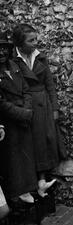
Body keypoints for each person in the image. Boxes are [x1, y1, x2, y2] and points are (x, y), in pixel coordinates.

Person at [12, 24, 60, 198]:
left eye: (35, 39)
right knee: (28, 143)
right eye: (30, 40)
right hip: (25, 105)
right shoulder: (12, 60)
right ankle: (31, 184)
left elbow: (49, 84)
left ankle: (42, 180)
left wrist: (54, 108)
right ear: (19, 43)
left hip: (42, 104)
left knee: (44, 141)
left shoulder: (40, 57)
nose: (35, 43)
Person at [0, 31, 37, 206]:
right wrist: (23, 114)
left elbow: (26, 90)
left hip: (24, 118)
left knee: (26, 158)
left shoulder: (14, 67)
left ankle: (28, 190)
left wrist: (27, 109)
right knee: (13, 161)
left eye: (5, 49)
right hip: (9, 123)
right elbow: (2, 104)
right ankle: (16, 195)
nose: (2, 53)